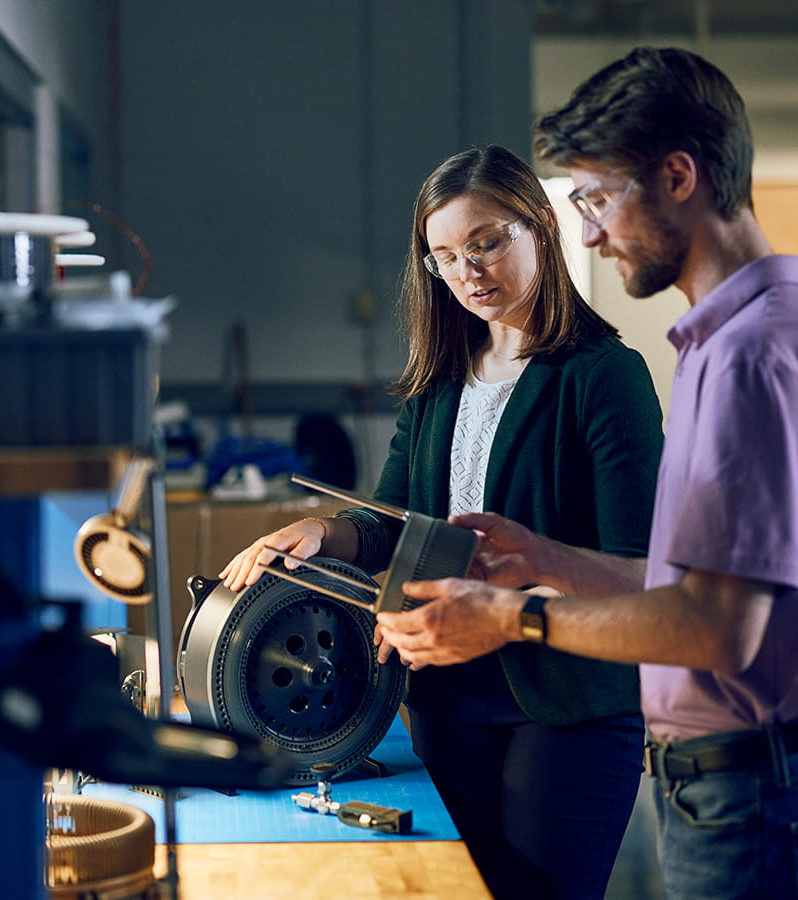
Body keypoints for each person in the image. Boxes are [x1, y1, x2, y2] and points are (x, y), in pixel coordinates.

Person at [374, 47, 798, 900]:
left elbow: (718, 626)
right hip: (751, 785)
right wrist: (544, 559)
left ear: (679, 176)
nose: (589, 232)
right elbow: (690, 581)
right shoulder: (767, 335)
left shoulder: (751, 358)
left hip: (765, 788)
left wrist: (511, 618)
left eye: (598, 199)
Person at [219, 144, 665, 899]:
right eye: (446, 257)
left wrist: (520, 594)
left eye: (488, 243)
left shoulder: (603, 375)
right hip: (443, 694)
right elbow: (395, 522)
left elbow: (639, 567)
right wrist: (325, 533)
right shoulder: (439, 381)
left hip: (564, 706)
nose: (470, 273)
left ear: (540, 226)